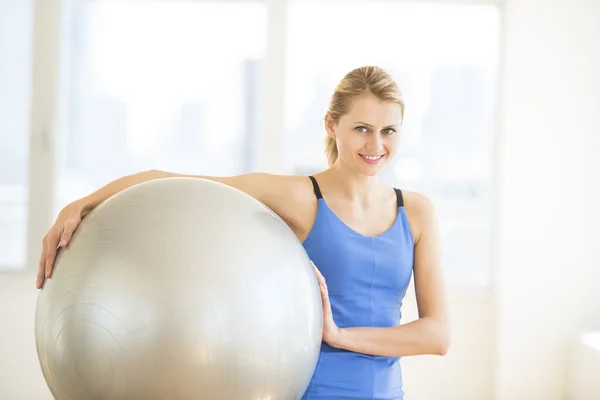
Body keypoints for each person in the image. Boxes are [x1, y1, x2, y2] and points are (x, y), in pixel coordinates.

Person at [36, 65, 450, 399]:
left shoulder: (415, 212)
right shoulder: (300, 197)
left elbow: (437, 334)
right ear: (331, 125)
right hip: (312, 390)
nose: (375, 143)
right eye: (361, 128)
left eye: (388, 130)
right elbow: (173, 181)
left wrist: (341, 336)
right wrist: (82, 203)